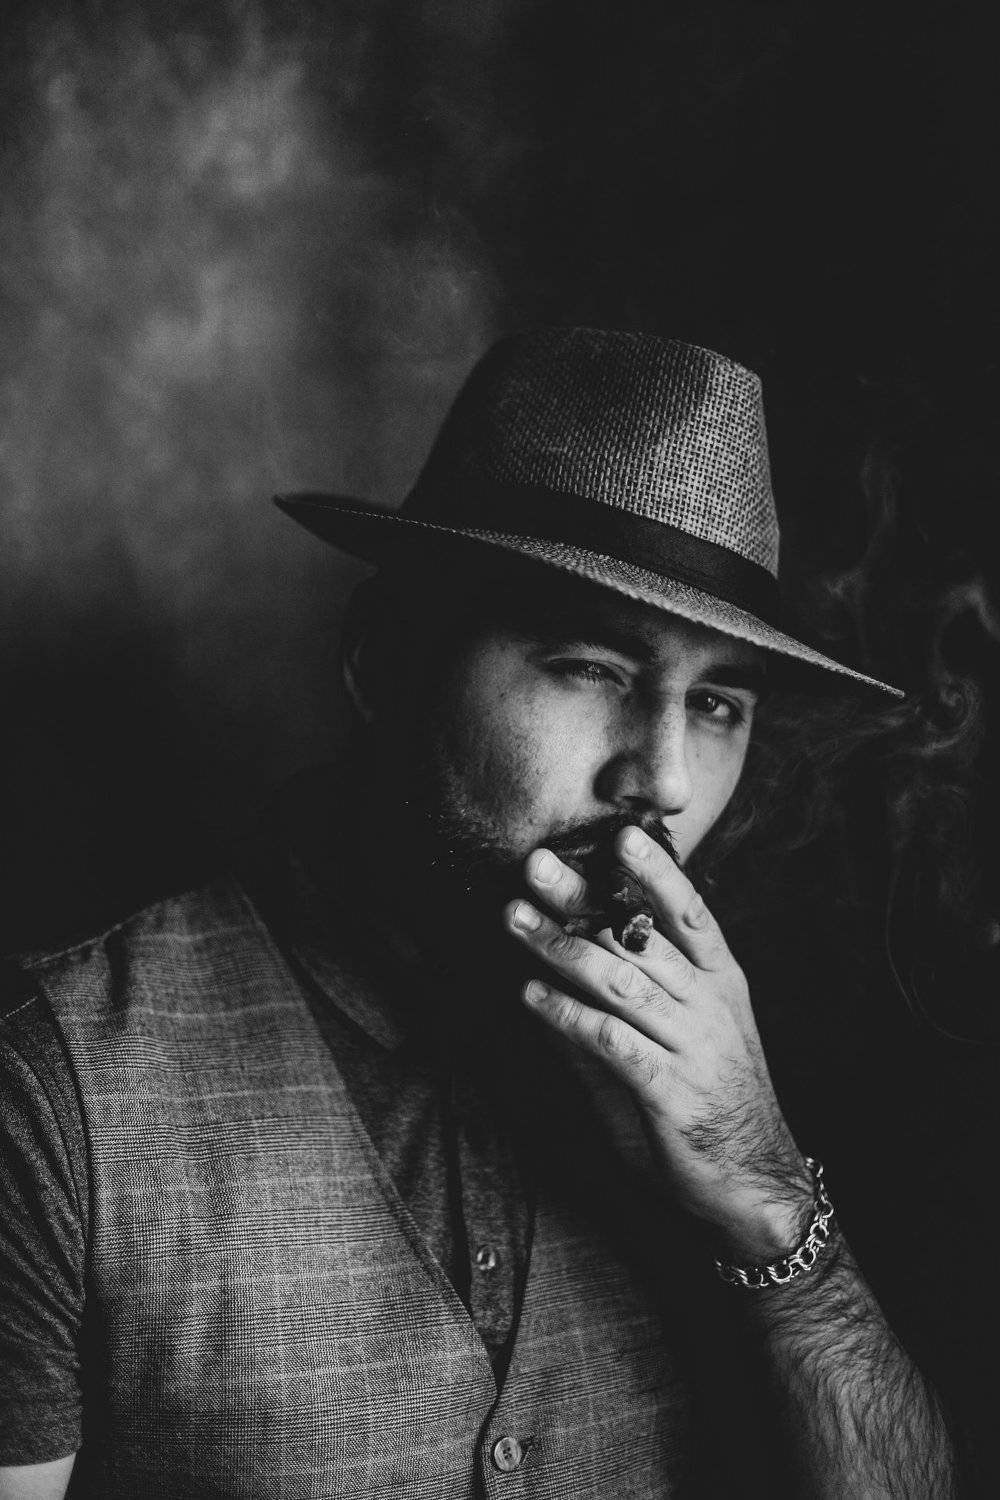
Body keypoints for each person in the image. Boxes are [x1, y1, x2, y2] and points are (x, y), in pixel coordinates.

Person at [0, 328, 959, 1498]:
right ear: (384, 658)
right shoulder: (55, 1091)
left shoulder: (728, 1075)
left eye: (717, 704)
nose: (661, 778)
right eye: (592, 667)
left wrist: (768, 1206)